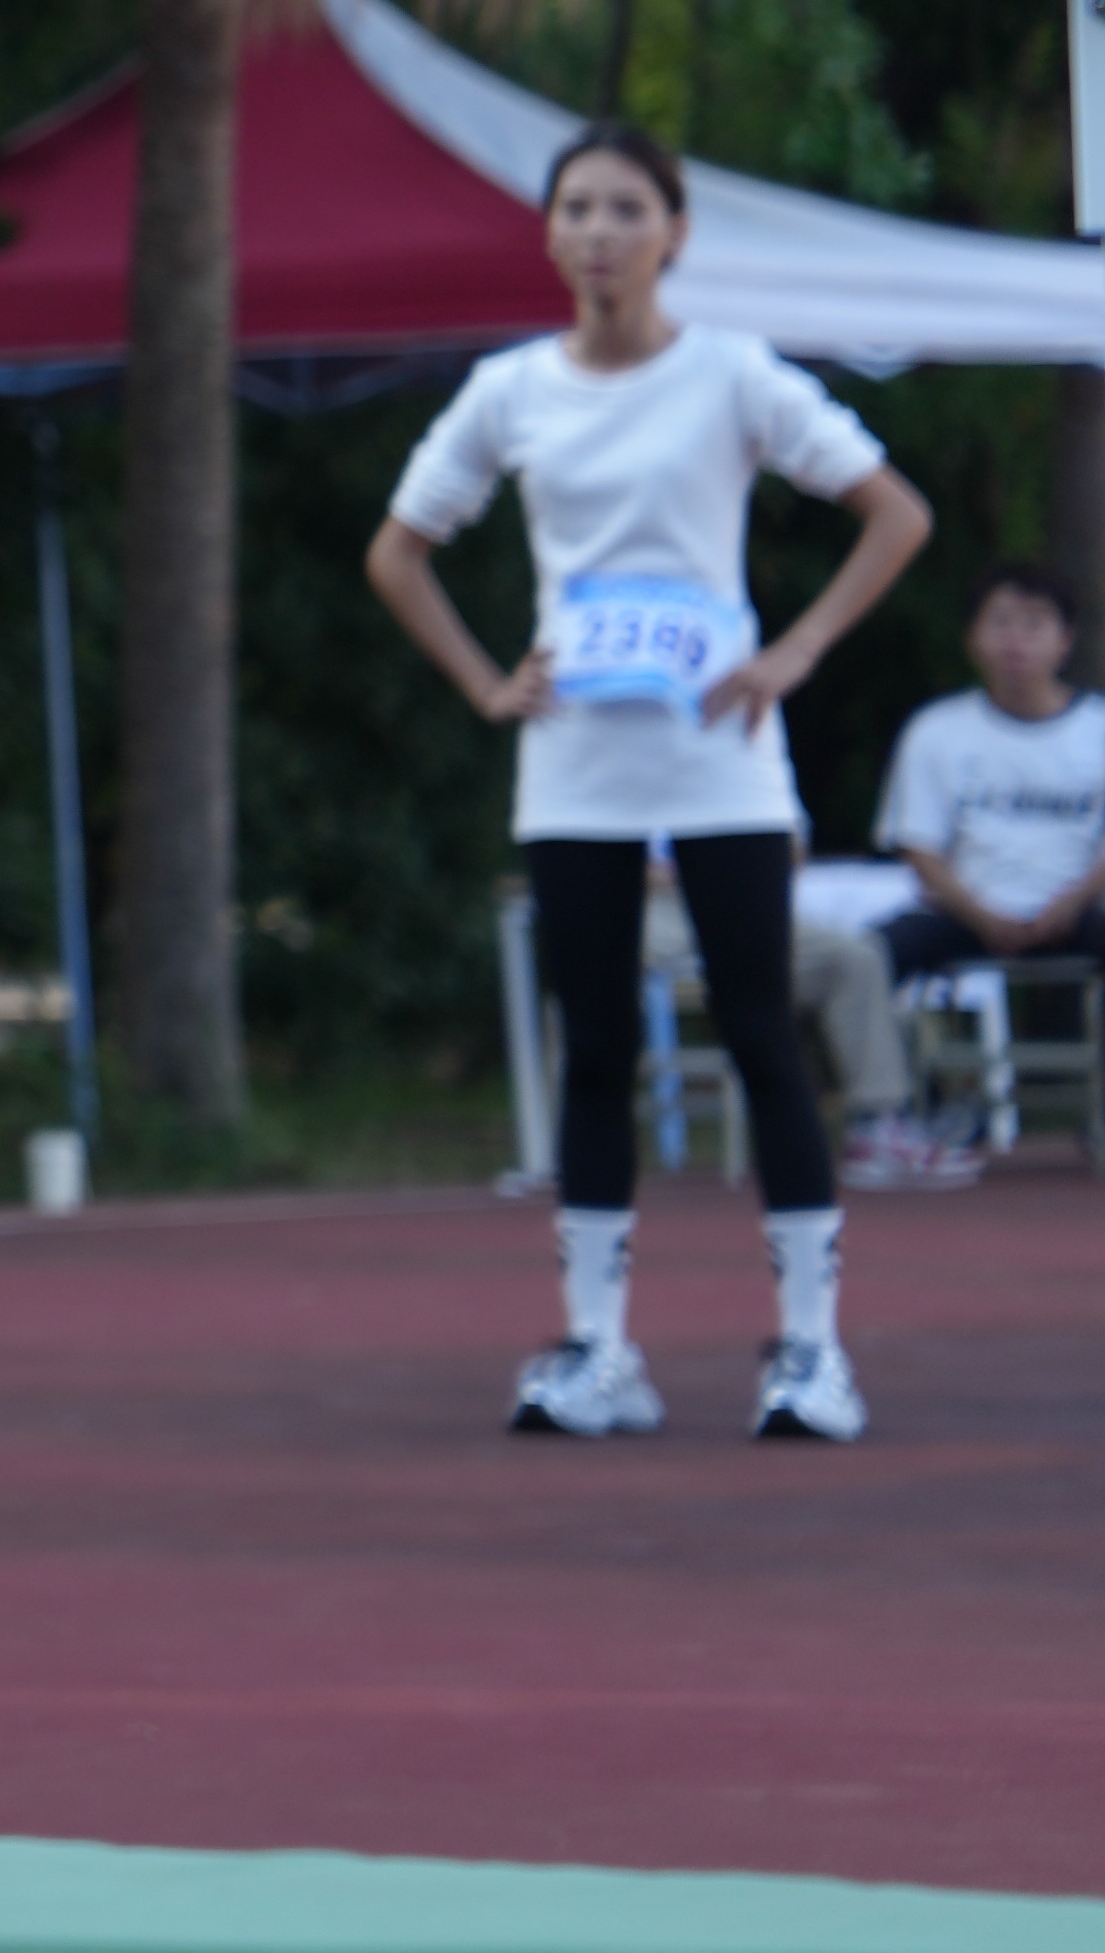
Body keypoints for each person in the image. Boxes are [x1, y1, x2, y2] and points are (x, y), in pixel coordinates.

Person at [361, 121, 935, 1446]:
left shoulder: (733, 374)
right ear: (549, 231)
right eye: (577, 208)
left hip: (722, 763)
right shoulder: (511, 389)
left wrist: (793, 651)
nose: (600, 233)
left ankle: (811, 1349)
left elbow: (896, 511)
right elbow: (398, 550)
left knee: (761, 1033)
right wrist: (485, 682)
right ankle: (598, 1347)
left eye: (627, 209)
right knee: (597, 1048)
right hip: (576, 767)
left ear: (675, 232)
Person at [852, 572, 1100, 1173]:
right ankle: (885, 1118)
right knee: (859, 961)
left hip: (1080, 905)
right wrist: (981, 914)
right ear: (972, 638)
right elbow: (919, 847)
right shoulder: (936, 730)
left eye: (1034, 624)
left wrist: (1071, 902)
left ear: (1065, 640)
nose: (1016, 640)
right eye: (1001, 622)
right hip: (965, 908)